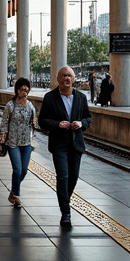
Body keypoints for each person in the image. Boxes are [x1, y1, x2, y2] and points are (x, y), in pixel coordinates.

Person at [38, 66, 91, 228]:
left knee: (73, 177)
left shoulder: (81, 98)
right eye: (63, 76)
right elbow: (43, 121)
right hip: (58, 144)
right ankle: (66, 213)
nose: (66, 79)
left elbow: (88, 118)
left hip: (76, 144)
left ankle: (64, 199)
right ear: (57, 79)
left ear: (73, 79)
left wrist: (81, 124)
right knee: (63, 176)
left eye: (69, 76)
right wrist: (57, 124)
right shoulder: (50, 98)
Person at [0, 77, 37, 207]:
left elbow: (33, 122)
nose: (24, 93)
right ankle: (17, 196)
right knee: (17, 169)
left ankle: (13, 191)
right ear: (17, 90)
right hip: (12, 142)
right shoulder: (10, 105)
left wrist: (33, 135)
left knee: (24, 170)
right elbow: (4, 123)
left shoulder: (30, 105)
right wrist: (2, 138)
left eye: (27, 90)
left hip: (26, 142)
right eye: (22, 90)